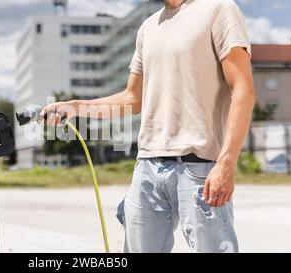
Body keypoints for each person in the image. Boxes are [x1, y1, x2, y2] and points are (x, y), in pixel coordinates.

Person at [41, 0, 255, 253]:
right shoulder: (148, 27)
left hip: (200, 166)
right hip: (148, 166)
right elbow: (132, 99)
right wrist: (75, 107)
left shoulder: (218, 9)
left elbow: (243, 89)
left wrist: (226, 163)